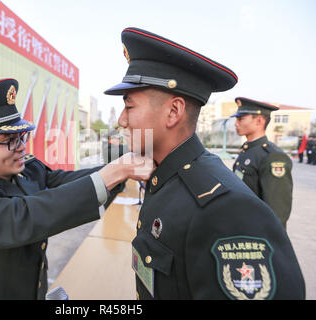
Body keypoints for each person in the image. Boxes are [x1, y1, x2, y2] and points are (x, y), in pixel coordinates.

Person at [104, 27, 305, 300]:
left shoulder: (225, 210)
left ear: (173, 112)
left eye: (129, 107)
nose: (121, 121)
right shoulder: (165, 178)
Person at [0, 78, 154, 300]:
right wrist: (115, 172)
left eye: (22, 136)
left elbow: (67, 183)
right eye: (9, 140)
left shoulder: (27, 170)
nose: (22, 147)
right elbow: (25, 216)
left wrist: (123, 167)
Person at [231, 97, 293, 228]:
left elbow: (277, 210)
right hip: (242, 223)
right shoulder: (247, 150)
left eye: (240, 119)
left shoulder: (273, 157)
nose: (236, 123)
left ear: (259, 121)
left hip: (256, 230)